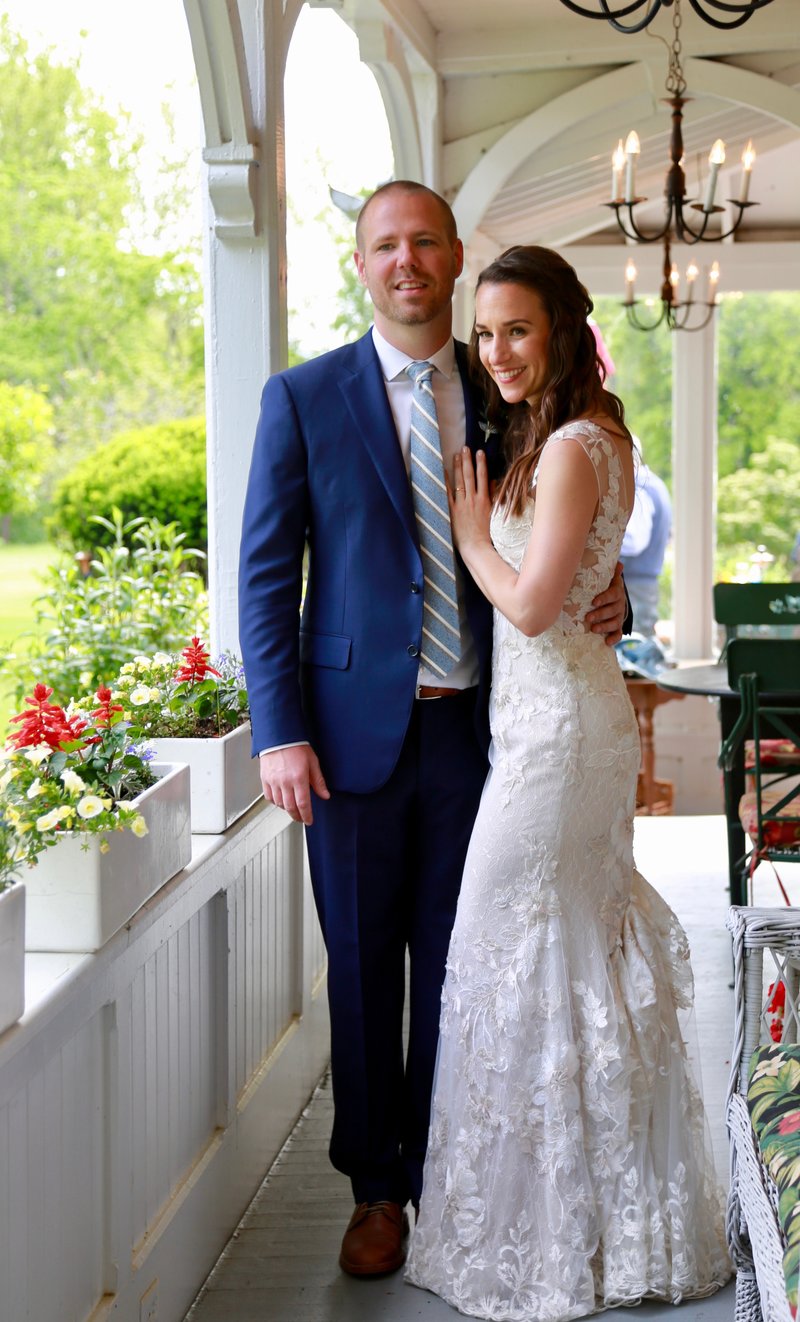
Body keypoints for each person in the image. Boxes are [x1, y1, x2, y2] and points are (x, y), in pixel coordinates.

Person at [238, 185, 629, 1279]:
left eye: (423, 242)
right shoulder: (302, 397)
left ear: (455, 255)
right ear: (360, 263)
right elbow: (266, 577)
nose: (405, 261)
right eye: (384, 246)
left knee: (466, 968)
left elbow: (573, 513)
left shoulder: (508, 380)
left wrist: (615, 599)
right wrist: (278, 730)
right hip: (349, 739)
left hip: (483, 740)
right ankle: (375, 1187)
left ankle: (450, 1168)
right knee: (361, 968)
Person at [405, 246, 730, 1318]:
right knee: (559, 952)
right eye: (484, 332)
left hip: (558, 744)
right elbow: (587, 579)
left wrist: (466, 534)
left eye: (516, 330)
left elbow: (537, 602)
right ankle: (588, 1220)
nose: (495, 351)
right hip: (552, 726)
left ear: (559, 333)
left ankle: (552, 1237)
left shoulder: (576, 445)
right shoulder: (565, 436)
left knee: (517, 945)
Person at [620, 450, 672, 638]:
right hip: (643, 582)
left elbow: (634, 542)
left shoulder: (639, 485)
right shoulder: (655, 484)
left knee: (636, 643)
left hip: (634, 584)